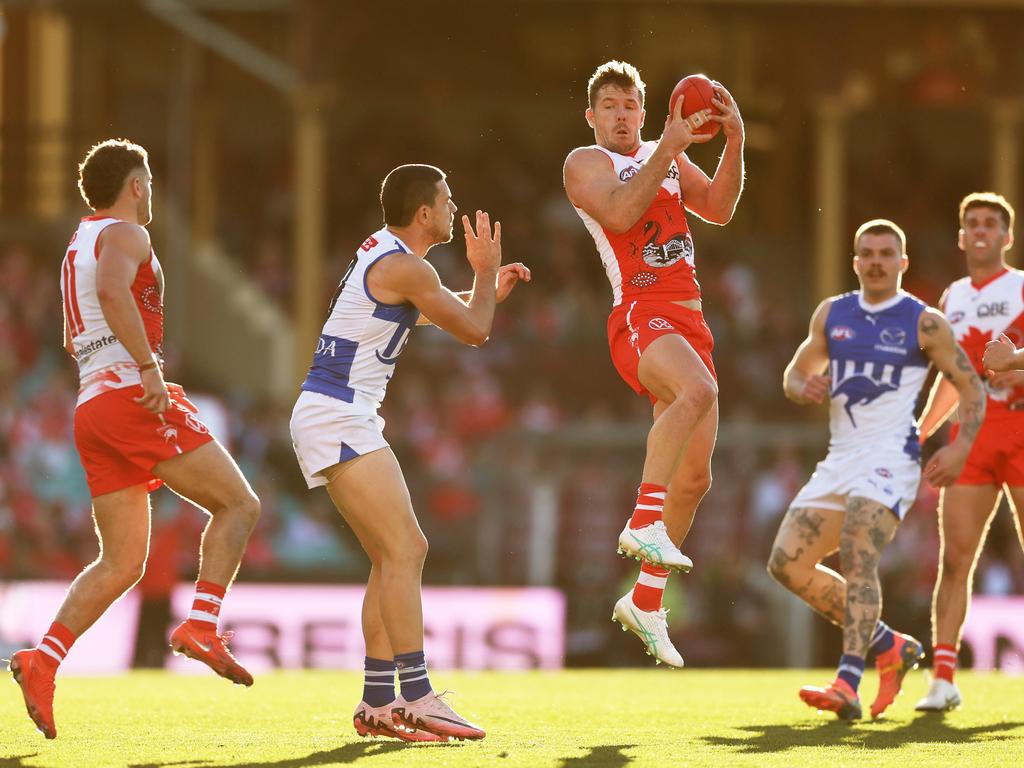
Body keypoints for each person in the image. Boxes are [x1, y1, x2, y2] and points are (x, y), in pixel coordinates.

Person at [8, 139, 261, 740]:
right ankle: (201, 624)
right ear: (137, 185)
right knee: (240, 504)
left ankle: (41, 661)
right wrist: (148, 368)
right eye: (148, 180)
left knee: (122, 561)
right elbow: (114, 294)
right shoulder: (127, 234)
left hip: (92, 403)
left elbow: (75, 337)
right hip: (127, 394)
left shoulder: (77, 243)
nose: (151, 191)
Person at [289, 164, 529, 742]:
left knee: (388, 557)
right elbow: (475, 332)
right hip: (339, 414)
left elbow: (437, 313)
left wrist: (483, 293)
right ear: (425, 212)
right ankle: (418, 696)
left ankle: (377, 703)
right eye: (447, 200)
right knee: (409, 549)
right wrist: (485, 273)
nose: (453, 208)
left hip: (334, 413)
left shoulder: (389, 257)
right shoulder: (406, 266)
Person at [562, 60, 744, 666]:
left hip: (691, 319)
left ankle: (644, 600)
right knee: (697, 392)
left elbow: (718, 208)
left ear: (647, 111)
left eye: (631, 105)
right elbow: (617, 213)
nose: (621, 115)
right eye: (610, 105)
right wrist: (667, 147)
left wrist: (735, 140)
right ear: (591, 116)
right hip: (640, 310)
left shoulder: (664, 155)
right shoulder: (586, 163)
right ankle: (642, 520)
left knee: (695, 480)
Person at [768, 219, 985, 720]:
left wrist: (959, 448)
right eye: (867, 253)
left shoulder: (923, 321)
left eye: (886, 253)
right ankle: (889, 645)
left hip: (892, 457)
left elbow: (970, 386)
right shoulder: (833, 314)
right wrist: (801, 386)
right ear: (855, 262)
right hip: (841, 457)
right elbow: (796, 372)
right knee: (786, 564)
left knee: (857, 549)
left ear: (902, 263)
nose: (876, 262)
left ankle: (848, 680)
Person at [915, 192, 1024, 711]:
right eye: (971, 223)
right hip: (974, 437)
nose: (980, 231)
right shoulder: (953, 297)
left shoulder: (1023, 286)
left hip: (1023, 427)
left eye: (990, 223)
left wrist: (1011, 362)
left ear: (1007, 236)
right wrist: (920, 430)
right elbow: (953, 376)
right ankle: (943, 678)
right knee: (955, 557)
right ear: (961, 237)